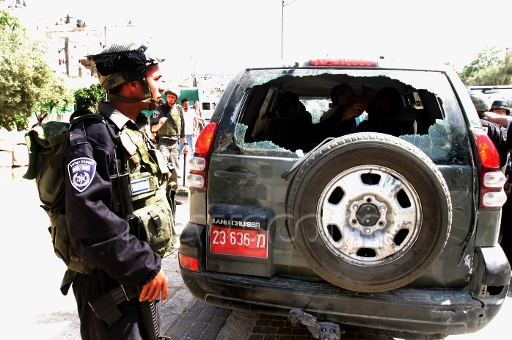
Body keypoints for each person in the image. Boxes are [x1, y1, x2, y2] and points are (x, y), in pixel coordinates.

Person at [60, 42, 173, 339]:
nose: (162, 87)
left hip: (130, 269)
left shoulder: (131, 129)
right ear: (135, 85)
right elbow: (89, 220)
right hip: (109, 278)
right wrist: (144, 266)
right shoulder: (92, 136)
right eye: (156, 80)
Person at [151, 88, 187, 204]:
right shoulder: (160, 109)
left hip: (175, 144)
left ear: (176, 98)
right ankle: (160, 196)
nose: (170, 98)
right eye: (169, 96)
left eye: (173, 96)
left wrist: (185, 144)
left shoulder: (179, 109)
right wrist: (160, 124)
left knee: (175, 171)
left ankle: (172, 195)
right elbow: (152, 128)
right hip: (163, 144)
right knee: (163, 169)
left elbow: (182, 129)